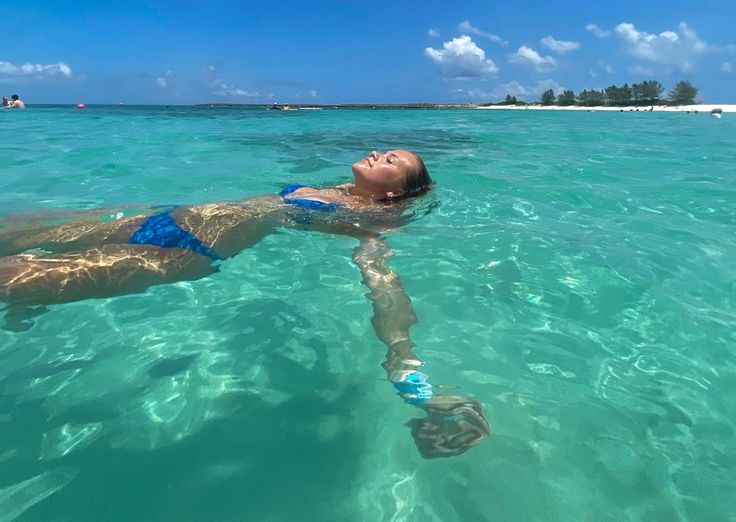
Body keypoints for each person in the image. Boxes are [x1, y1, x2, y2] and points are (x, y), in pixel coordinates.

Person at [0, 148, 490, 458]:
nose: (378, 154)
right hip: (160, 218)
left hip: (178, 252)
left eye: (392, 163)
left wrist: (402, 362)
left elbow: (383, 285)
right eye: (384, 151)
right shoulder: (336, 189)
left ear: (395, 193)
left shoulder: (372, 223)